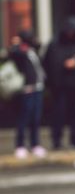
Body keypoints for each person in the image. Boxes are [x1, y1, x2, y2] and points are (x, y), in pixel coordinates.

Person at [43, 16, 75, 149]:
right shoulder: (56, 44)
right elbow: (53, 64)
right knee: (59, 114)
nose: (72, 34)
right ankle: (56, 141)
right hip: (60, 87)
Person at [9, 31, 47, 159]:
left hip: (38, 88)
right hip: (27, 89)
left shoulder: (32, 51)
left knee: (36, 118)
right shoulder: (20, 52)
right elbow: (12, 54)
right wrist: (16, 44)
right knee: (23, 118)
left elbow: (39, 45)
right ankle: (20, 146)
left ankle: (35, 144)